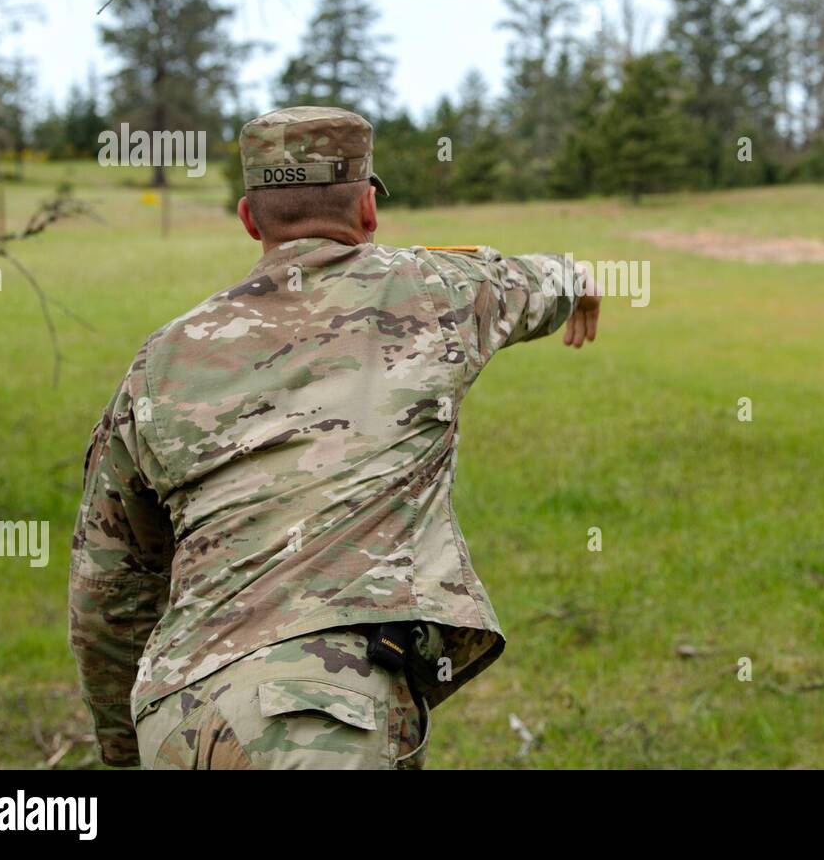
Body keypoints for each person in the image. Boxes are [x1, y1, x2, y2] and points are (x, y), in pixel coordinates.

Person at [68, 106, 600, 769]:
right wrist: (577, 280)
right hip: (328, 721)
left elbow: (107, 592)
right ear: (369, 211)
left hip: (179, 717)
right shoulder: (438, 292)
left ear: (249, 219)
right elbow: (540, 278)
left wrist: (125, 748)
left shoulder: (162, 360)